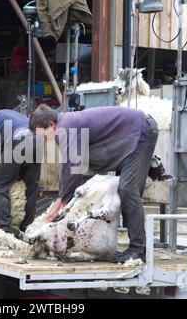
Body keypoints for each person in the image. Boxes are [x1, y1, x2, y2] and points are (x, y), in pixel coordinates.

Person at [29, 105, 159, 263]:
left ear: (51, 125)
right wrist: (61, 198)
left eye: (42, 135)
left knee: (127, 190)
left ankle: (138, 250)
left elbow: (72, 167)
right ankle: (133, 247)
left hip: (140, 131)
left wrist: (65, 203)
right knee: (121, 191)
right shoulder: (66, 125)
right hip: (127, 138)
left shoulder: (66, 127)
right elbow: (67, 165)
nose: (43, 140)